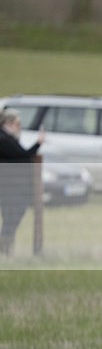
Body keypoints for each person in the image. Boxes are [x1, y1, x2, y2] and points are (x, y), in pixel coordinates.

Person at [0, 109, 45, 255]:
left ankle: (6, 249)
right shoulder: (4, 139)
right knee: (11, 218)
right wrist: (38, 143)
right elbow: (22, 155)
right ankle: (4, 248)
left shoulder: (9, 138)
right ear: (8, 123)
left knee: (12, 219)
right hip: (9, 188)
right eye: (17, 123)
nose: (19, 127)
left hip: (15, 187)